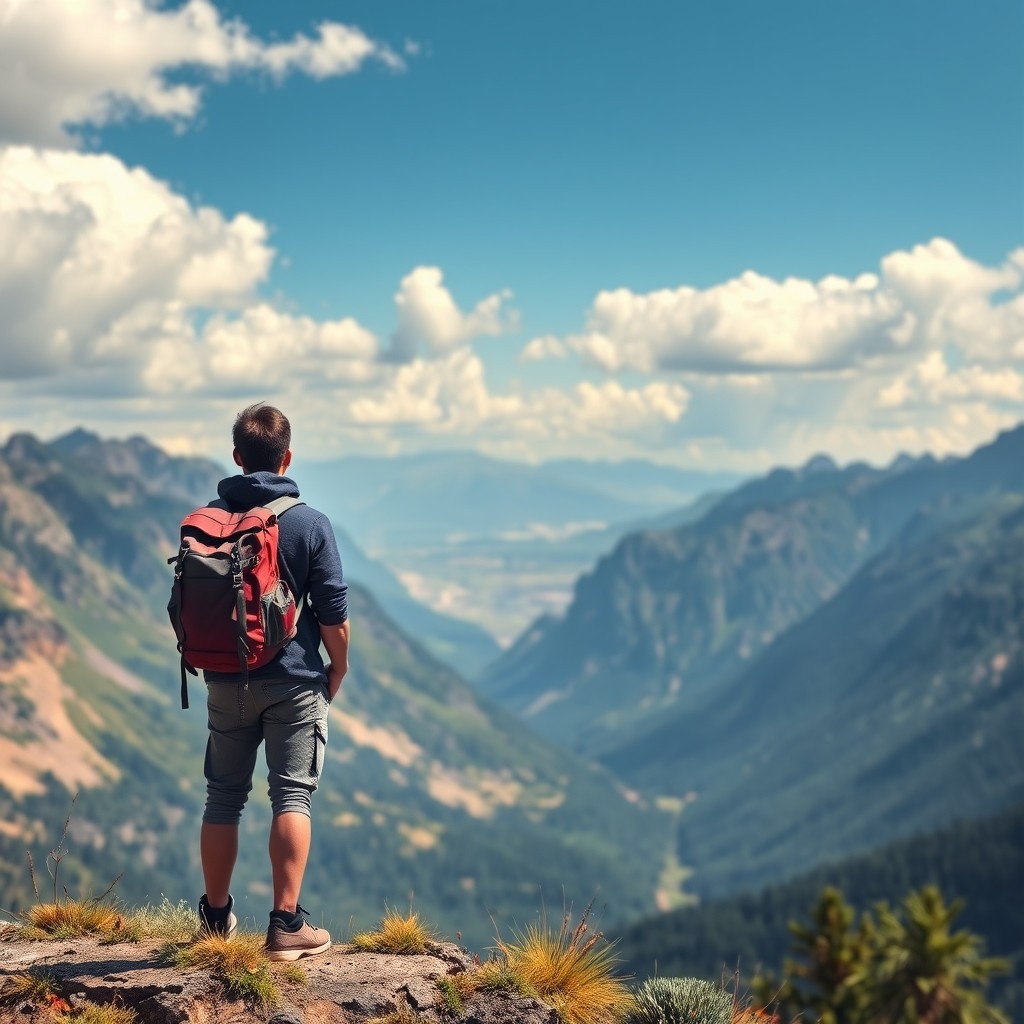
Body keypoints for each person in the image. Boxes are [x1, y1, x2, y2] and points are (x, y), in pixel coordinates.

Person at [196, 403, 349, 961]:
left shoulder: (212, 519)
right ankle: (285, 924)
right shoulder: (309, 523)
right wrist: (339, 666)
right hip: (294, 682)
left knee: (222, 797)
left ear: (236, 458)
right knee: (291, 796)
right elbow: (332, 613)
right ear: (287, 457)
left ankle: (215, 918)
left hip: (224, 679)